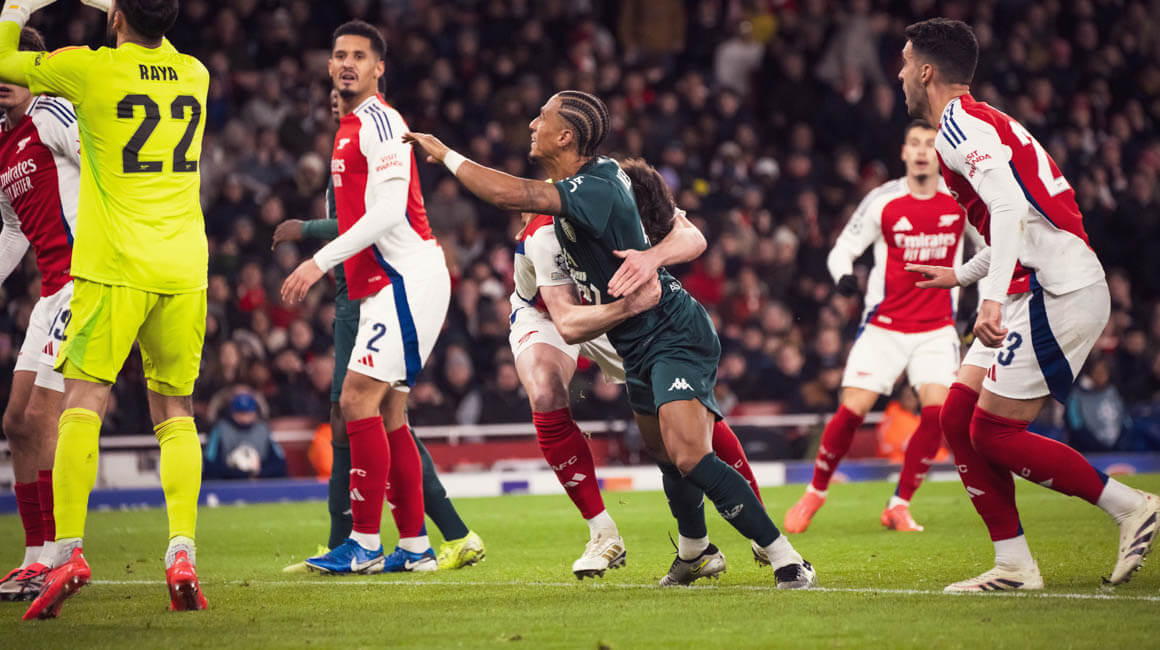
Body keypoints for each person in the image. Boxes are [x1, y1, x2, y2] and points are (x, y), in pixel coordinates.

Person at [405, 91, 817, 589]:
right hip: (620, 328)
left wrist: (445, 153)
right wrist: (636, 285)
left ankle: (784, 555)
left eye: (543, 116)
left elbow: (690, 235)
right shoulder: (575, 197)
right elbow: (568, 308)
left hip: (668, 329)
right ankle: (694, 551)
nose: (531, 122)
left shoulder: (595, 188)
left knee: (688, 450)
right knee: (665, 451)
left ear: (566, 136)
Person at [899, 18, 1158, 592]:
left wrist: (986, 302)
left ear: (925, 71)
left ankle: (1130, 506)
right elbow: (1015, 222)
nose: (898, 75)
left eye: (903, 62)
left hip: (1051, 290)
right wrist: (962, 274)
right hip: (1033, 285)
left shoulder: (957, 126)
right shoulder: (981, 120)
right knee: (957, 418)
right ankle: (1014, 564)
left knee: (993, 432)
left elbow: (1012, 211)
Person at [0, 0, 212, 619]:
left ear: (115, 17)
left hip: (111, 265)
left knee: (82, 401)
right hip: (182, 266)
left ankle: (65, 551)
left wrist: (17, 6)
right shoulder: (196, 72)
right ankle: (181, 552)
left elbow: (9, 59)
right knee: (175, 411)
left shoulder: (89, 71)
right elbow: (157, 41)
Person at [509, 159, 767, 582]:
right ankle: (602, 533)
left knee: (684, 410)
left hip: (621, 308)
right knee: (545, 393)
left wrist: (652, 257)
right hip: (552, 312)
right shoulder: (546, 230)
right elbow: (567, 323)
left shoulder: (622, 190)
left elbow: (691, 236)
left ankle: (754, 518)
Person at [275, 87, 484, 573]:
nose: (337, 93)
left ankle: (363, 543)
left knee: (353, 406)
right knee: (388, 414)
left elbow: (381, 217)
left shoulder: (378, 131)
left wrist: (310, 243)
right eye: (331, 82)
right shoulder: (345, 148)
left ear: (377, 72)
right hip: (372, 292)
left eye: (355, 64)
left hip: (387, 288)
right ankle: (415, 547)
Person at [784, 121, 970, 534]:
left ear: (940, 154)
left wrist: (986, 299)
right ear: (904, 152)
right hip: (884, 324)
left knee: (937, 412)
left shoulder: (960, 201)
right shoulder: (883, 200)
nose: (922, 151)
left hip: (937, 326)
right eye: (915, 144)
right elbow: (842, 251)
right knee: (853, 409)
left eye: (930, 145)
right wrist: (843, 277)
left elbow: (992, 249)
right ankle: (814, 493)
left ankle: (899, 505)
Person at [0, 26, 77, 602]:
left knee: (44, 416)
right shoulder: (2, 144)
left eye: (13, 64)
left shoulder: (53, 113)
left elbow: (107, 165)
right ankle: (33, 555)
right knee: (15, 422)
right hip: (49, 291)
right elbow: (11, 229)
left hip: (83, 282)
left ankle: (59, 554)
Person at [203, 392, 287, 480]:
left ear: (255, 413)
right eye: (240, 413)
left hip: (260, 481)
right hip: (229, 482)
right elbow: (210, 464)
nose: (244, 417)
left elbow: (279, 463)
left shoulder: (263, 429)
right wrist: (240, 474)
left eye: (248, 413)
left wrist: (259, 473)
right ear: (232, 412)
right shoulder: (220, 429)